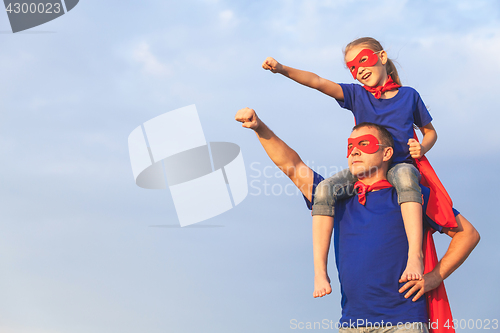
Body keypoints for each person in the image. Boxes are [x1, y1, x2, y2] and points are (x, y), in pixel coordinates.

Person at [235, 107, 479, 332]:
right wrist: (260, 127)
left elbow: (467, 234)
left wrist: (434, 277)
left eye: (365, 144)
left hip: (404, 323)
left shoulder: (412, 197)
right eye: (350, 147)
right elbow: (292, 165)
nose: (355, 151)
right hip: (352, 324)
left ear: (387, 153)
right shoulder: (334, 197)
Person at [262, 37, 438, 287]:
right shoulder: (357, 95)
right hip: (366, 171)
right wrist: (282, 69)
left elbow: (430, 132)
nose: (359, 70)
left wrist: (422, 147)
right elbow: (318, 82)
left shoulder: (409, 96)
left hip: (399, 165)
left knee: (407, 178)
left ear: (382, 57)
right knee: (324, 189)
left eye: (362, 60)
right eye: (352, 67)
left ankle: (414, 256)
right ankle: (320, 272)